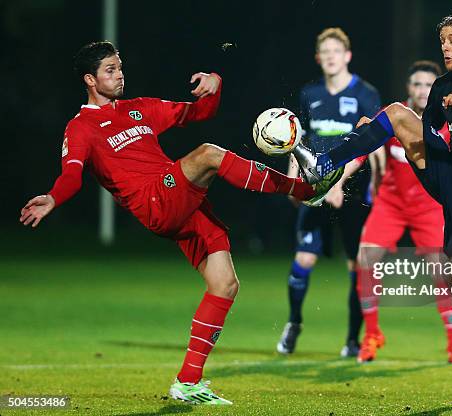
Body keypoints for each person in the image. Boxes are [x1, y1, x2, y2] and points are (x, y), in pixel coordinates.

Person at [19, 41, 342, 406]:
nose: (120, 73)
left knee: (225, 285)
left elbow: (199, 112)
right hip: (155, 200)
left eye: (120, 66)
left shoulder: (140, 109)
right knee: (207, 154)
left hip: (181, 203)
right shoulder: (81, 128)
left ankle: (187, 382)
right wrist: (53, 197)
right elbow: (72, 175)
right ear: (90, 79)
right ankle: (302, 189)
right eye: (110, 69)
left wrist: (214, 83)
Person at [293, 8, 452, 405]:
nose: (446, 47)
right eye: (442, 41)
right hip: (447, 175)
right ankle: (324, 164)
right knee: (396, 114)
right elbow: (426, 130)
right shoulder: (440, 87)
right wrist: (379, 130)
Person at [277, 28, 381, 357]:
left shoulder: (365, 94)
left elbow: (370, 143)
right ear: (318, 58)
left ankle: (352, 339)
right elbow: (299, 139)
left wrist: (337, 184)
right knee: (303, 258)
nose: (332, 56)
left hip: (352, 192)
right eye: (326, 51)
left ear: (347, 56)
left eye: (337, 50)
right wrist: (294, 177)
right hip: (315, 187)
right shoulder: (311, 93)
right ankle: (294, 323)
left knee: (356, 265)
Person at [354, 61, 452, 365]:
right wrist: (341, 178)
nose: (421, 89)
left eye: (428, 84)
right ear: (408, 88)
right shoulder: (395, 115)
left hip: (429, 205)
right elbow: (364, 145)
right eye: (416, 84)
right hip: (392, 201)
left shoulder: (448, 122)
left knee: (442, 271)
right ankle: (372, 334)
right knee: (366, 259)